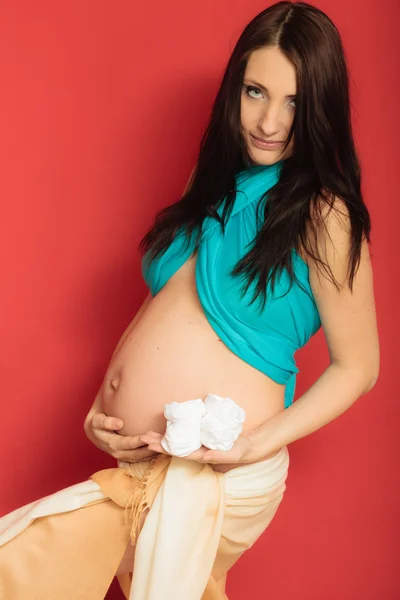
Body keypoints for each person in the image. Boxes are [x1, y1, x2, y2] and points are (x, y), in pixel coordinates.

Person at [0, 2, 379, 599]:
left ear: (322, 109)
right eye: (256, 91)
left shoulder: (323, 213)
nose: (270, 121)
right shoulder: (212, 186)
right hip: (145, 461)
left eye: (295, 102)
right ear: (235, 87)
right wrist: (102, 413)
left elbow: (359, 367)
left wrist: (256, 441)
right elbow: (167, 307)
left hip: (216, 472)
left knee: (21, 570)